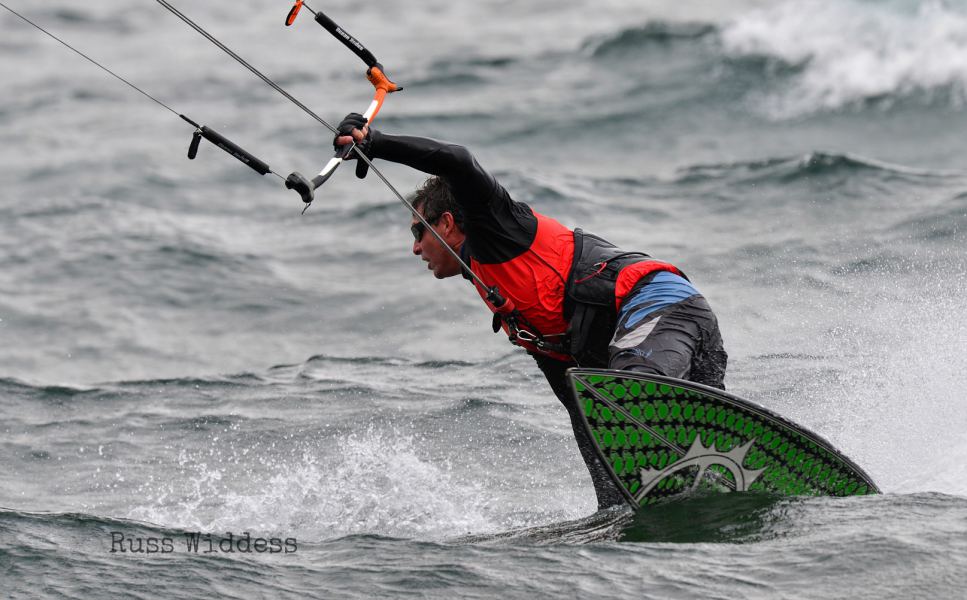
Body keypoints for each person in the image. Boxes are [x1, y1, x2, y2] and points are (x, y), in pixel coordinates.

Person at [335, 113, 727, 510]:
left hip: (661, 307)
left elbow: (456, 159)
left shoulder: (499, 229)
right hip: (657, 342)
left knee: (631, 398)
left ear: (447, 223)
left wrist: (376, 143)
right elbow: (586, 415)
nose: (415, 249)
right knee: (629, 451)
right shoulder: (506, 298)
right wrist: (612, 505)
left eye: (418, 231)